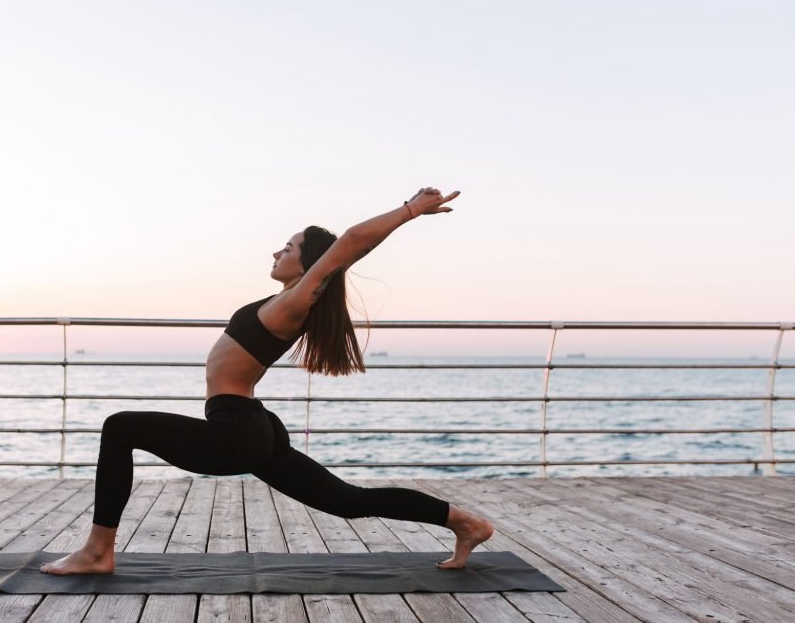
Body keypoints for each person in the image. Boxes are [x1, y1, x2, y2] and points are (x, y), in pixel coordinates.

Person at [42, 186, 493, 575]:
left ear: (310, 265)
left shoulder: (297, 300)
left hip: (235, 429)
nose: (278, 252)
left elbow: (353, 241)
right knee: (348, 501)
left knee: (120, 427)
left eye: (289, 248)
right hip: (252, 426)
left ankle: (98, 550)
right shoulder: (287, 300)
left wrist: (410, 209)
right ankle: (464, 522)